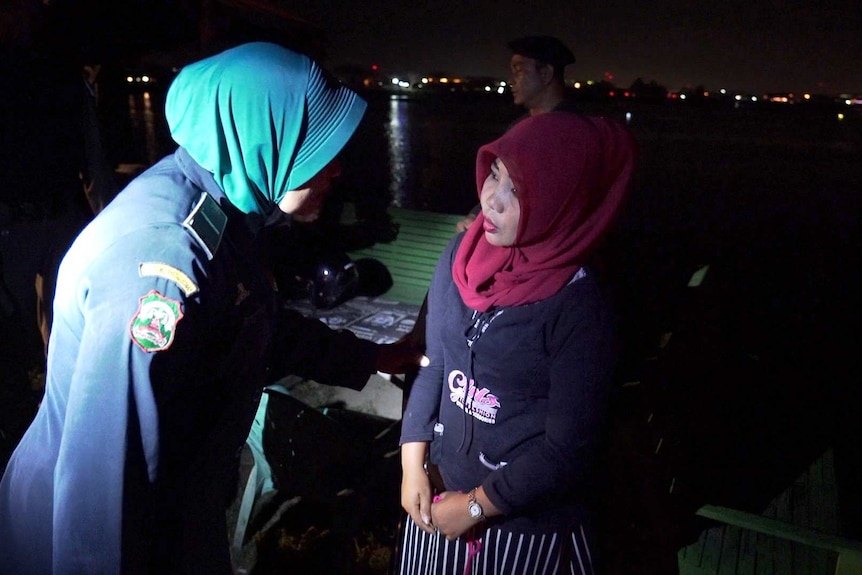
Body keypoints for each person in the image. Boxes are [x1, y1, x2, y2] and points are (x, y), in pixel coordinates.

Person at [0, 42, 421, 575]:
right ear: (260, 138)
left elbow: (247, 324)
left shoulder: (222, 208)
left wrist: (370, 358)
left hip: (173, 513)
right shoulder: (164, 264)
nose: (336, 169)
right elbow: (103, 480)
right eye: (317, 146)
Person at [398, 112, 636, 574]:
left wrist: (473, 508)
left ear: (562, 202)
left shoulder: (580, 305)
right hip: (441, 498)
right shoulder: (460, 256)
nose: (491, 199)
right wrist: (412, 464)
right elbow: (436, 364)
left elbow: (565, 450)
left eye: (518, 190)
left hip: (525, 527)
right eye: (494, 173)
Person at [455, 35, 577, 232]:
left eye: (519, 71)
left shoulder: (573, 133)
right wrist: (477, 213)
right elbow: (502, 180)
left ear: (545, 74)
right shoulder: (519, 128)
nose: (512, 81)